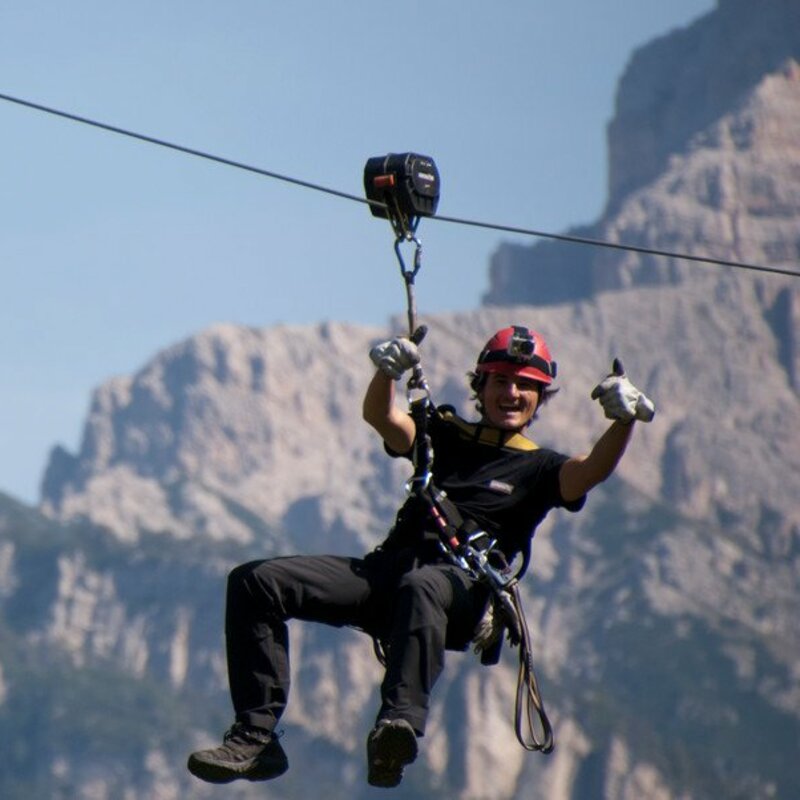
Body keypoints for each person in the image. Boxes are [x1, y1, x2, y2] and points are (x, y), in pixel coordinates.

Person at [186, 324, 655, 789]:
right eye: (501, 382)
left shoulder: (540, 468)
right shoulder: (443, 435)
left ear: (539, 397)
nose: (511, 393)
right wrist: (385, 374)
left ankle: (399, 725)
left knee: (424, 585)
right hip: (390, 572)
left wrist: (623, 420)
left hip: (461, 591)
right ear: (482, 387)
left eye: (524, 386)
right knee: (255, 581)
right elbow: (383, 419)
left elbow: (589, 472)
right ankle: (256, 737)